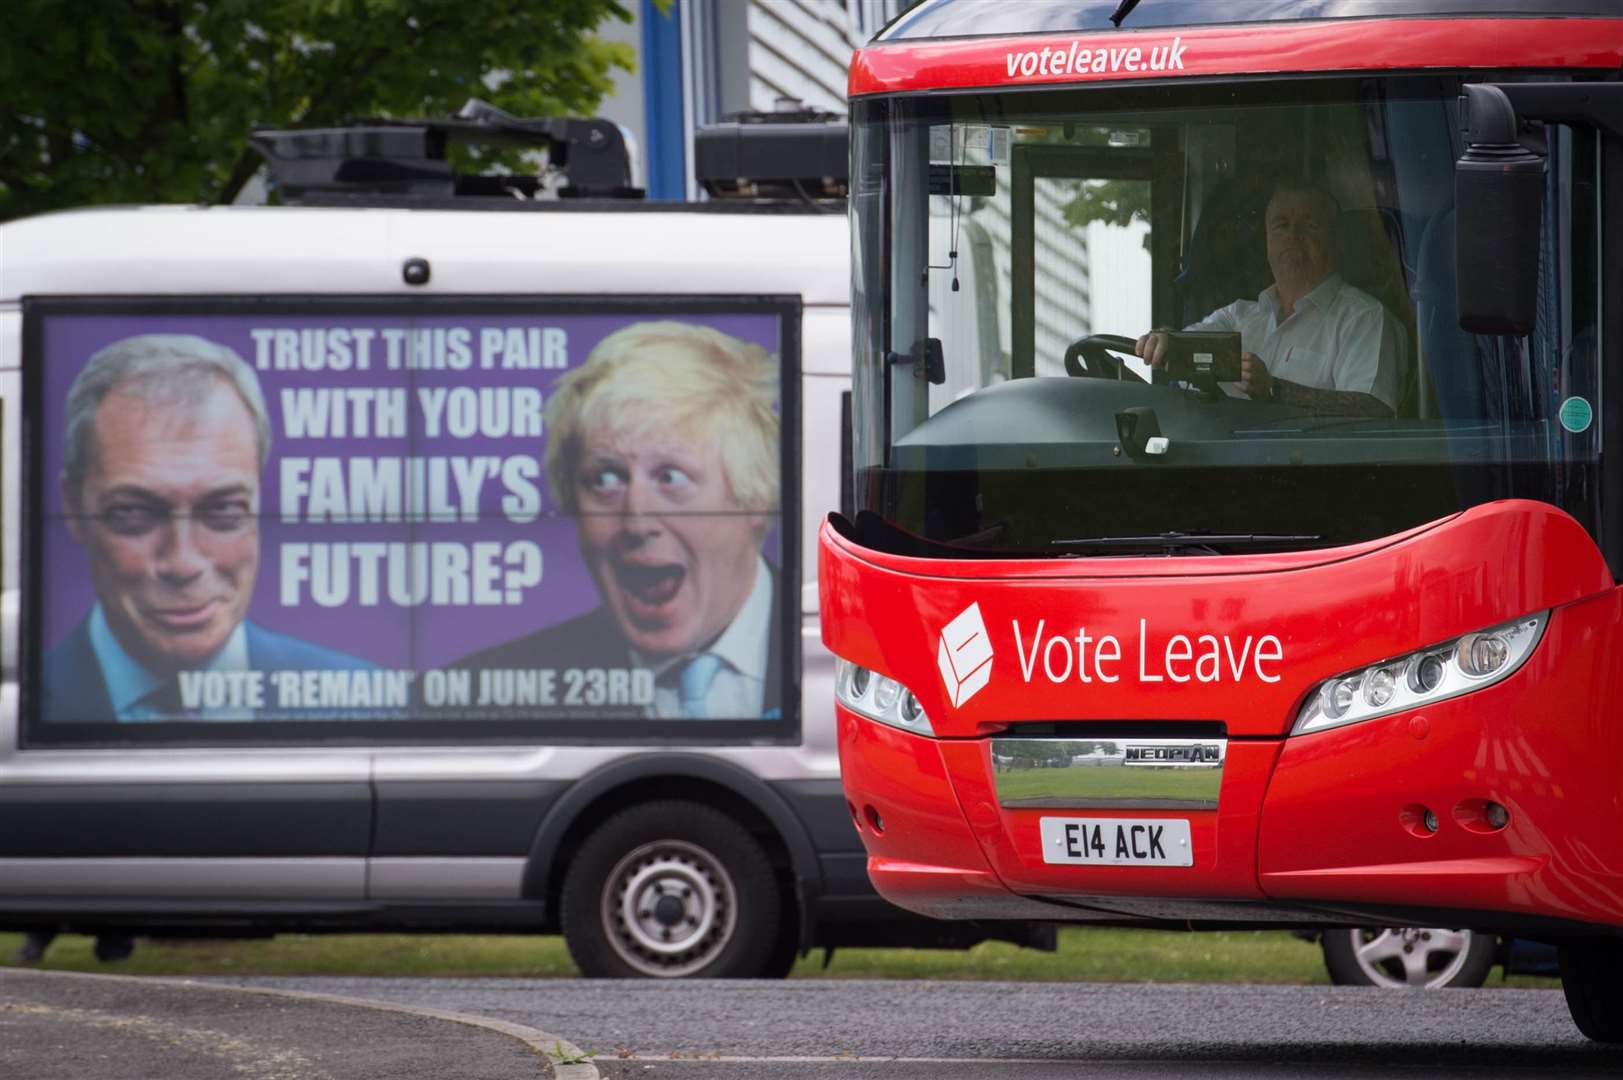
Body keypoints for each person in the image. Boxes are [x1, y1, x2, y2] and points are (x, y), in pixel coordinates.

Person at [456, 321, 782, 720]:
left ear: (756, 496)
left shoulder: (858, 650)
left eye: (670, 477)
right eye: (605, 479)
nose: (636, 520)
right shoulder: (485, 696)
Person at [43, 334, 373, 723]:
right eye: (134, 513)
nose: (183, 563)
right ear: (73, 507)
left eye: (223, 510)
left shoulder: (369, 703)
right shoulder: (27, 701)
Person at [1137, 179, 1407, 417]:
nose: (1293, 236)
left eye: (1309, 225)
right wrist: (1164, 339)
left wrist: (1274, 389)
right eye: (1282, 225)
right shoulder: (1238, 316)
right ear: (1267, 239)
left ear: (1334, 240)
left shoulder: (1364, 318)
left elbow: (1373, 409)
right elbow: (1184, 346)